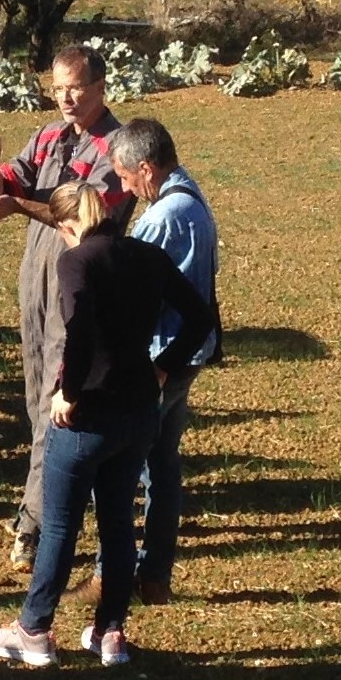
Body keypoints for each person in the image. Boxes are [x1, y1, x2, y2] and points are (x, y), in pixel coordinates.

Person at [0, 180, 212, 669]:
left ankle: (34, 629)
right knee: (118, 525)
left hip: (89, 414)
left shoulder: (77, 260)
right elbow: (198, 314)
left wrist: (69, 392)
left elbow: (79, 327)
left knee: (60, 525)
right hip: (139, 411)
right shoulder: (147, 256)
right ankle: (110, 631)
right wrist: (165, 363)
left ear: (67, 226)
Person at [0, 45, 132, 572]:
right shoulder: (47, 137)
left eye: (76, 87)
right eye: (58, 87)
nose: (66, 97)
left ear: (101, 86)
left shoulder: (116, 148)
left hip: (80, 277)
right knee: (33, 388)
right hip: (35, 275)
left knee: (58, 398)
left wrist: (18, 205)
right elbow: (6, 189)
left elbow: (86, 219)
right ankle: (46, 510)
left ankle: (35, 525)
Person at [108, 117, 221, 605]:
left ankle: (111, 574)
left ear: (147, 169)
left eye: (125, 175)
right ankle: (155, 575)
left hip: (159, 357)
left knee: (122, 465)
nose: (122, 185)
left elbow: (132, 290)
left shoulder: (162, 218)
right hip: (187, 354)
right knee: (163, 464)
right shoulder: (191, 197)